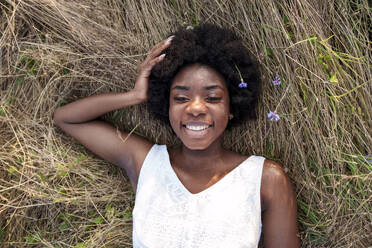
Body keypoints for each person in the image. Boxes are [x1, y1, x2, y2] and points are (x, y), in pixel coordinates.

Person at [53, 23, 299, 248]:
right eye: (181, 98)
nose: (195, 108)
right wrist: (136, 96)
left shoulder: (264, 179)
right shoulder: (146, 164)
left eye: (212, 98)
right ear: (166, 106)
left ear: (232, 107)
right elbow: (67, 118)